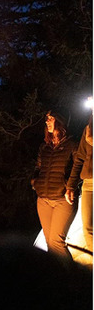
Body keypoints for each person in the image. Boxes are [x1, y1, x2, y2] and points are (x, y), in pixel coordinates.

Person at [31, 112, 79, 261]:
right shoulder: (44, 147)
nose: (47, 122)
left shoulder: (72, 145)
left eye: (51, 118)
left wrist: (70, 186)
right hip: (43, 200)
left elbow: (78, 167)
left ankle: (74, 277)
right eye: (46, 119)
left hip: (62, 200)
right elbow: (38, 167)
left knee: (56, 242)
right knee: (49, 243)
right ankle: (59, 279)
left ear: (60, 120)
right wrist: (35, 182)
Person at [65, 115, 93, 252]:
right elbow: (80, 159)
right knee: (88, 229)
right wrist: (70, 185)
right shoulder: (88, 130)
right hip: (88, 184)